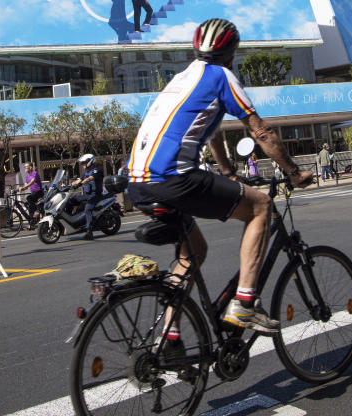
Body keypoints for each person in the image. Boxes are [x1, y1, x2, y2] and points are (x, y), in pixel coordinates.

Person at [126, 18, 313, 338]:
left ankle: (168, 339)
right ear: (231, 52)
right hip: (174, 178)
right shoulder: (222, 77)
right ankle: (244, 304)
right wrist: (294, 173)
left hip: (137, 182)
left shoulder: (183, 78)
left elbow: (210, 134)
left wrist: (228, 172)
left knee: (193, 252)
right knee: (261, 207)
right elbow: (262, 132)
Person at [71, 154, 104, 240]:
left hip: (96, 195)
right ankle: (74, 221)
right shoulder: (86, 173)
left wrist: (80, 184)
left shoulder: (96, 171)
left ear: (90, 161)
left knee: (88, 209)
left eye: (84, 163)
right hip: (87, 195)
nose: (83, 165)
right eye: (82, 163)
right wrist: (68, 185)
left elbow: (90, 178)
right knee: (71, 200)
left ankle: (89, 232)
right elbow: (79, 180)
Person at [18, 163, 44, 227]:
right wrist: (19, 189)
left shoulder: (34, 173)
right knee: (27, 204)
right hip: (34, 193)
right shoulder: (27, 177)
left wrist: (24, 187)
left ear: (31, 167)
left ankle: (35, 213)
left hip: (39, 192)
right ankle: (32, 220)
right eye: (24, 167)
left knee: (29, 198)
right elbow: (26, 186)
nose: (25, 168)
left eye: (26, 167)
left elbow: (32, 182)